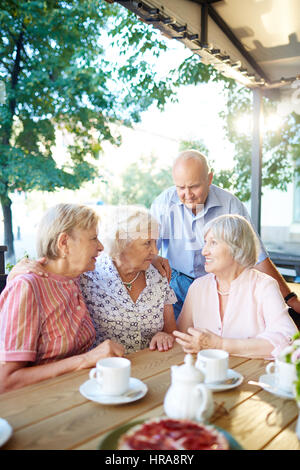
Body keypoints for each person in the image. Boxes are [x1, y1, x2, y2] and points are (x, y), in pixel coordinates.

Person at [150, 149, 300, 319]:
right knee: (176, 337)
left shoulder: (230, 204)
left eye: (194, 186)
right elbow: (147, 248)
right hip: (175, 284)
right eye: (181, 187)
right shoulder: (163, 202)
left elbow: (258, 258)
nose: (188, 195)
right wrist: (153, 257)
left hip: (217, 284)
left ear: (209, 178)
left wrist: (290, 298)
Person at [7, 206, 177, 355]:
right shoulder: (87, 273)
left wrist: (165, 336)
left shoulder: (158, 274)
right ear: (121, 243)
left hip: (149, 365)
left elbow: (171, 333)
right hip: (101, 372)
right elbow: (55, 264)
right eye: (147, 243)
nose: (155, 250)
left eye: (155, 242)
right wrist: (18, 272)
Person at [0, 204, 124, 393]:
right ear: (64, 242)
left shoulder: (75, 277)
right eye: (93, 238)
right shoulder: (27, 287)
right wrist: (86, 359)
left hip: (80, 392)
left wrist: (154, 260)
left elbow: (121, 263)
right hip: (41, 404)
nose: (100, 247)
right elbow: (6, 381)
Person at [173, 214, 298, 358]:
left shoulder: (264, 286)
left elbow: (289, 341)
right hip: (205, 375)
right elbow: (182, 338)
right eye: (205, 243)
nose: (204, 251)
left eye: (213, 243)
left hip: (252, 375)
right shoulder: (198, 287)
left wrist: (221, 345)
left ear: (237, 247)